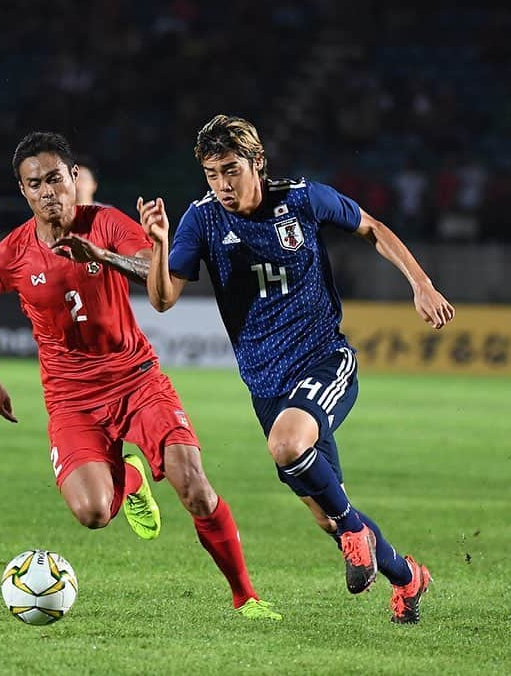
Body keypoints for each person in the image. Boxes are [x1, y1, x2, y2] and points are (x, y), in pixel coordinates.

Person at [137, 114, 455, 624]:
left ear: (257, 163)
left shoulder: (302, 198)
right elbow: (162, 300)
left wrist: (421, 283)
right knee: (328, 515)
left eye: (231, 170)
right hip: (265, 384)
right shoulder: (202, 220)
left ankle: (356, 531)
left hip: (324, 358)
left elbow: (371, 227)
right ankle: (408, 577)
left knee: (290, 451)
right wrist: (158, 242)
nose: (222, 184)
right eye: (212, 173)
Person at [0, 131, 280, 620]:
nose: (48, 191)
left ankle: (246, 596)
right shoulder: (10, 254)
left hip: (137, 380)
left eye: (55, 178)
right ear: (24, 193)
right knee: (93, 514)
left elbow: (151, 271)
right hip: (71, 399)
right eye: (36, 184)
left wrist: (111, 253)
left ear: (74, 178)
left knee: (194, 488)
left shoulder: (106, 223)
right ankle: (131, 479)